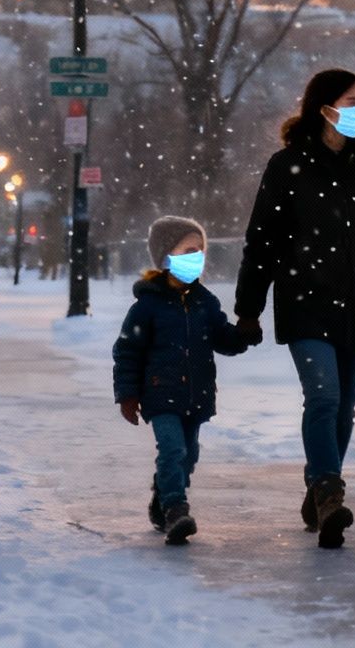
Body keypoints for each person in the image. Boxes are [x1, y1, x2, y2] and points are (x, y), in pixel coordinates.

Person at [236, 68, 355, 549]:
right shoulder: (287, 165)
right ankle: (331, 493)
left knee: (345, 409)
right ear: (324, 107)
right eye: (351, 100)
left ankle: (318, 487)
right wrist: (248, 309)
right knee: (324, 397)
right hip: (306, 302)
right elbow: (262, 242)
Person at [111, 216, 257, 545]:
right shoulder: (147, 306)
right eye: (189, 250)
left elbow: (222, 338)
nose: (197, 257)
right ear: (166, 257)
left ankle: (162, 497)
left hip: (197, 394)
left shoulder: (205, 302)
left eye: (201, 251)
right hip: (160, 393)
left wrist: (244, 335)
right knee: (173, 449)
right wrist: (127, 394)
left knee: (188, 454)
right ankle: (177, 508)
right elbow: (127, 351)